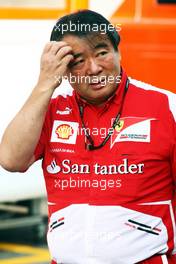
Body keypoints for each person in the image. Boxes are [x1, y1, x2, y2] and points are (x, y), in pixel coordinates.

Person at [0, 9, 176, 264]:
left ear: (118, 51)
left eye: (102, 52)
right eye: (78, 60)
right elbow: (10, 160)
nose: (93, 68)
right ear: (64, 67)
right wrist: (45, 83)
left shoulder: (166, 107)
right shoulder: (50, 109)